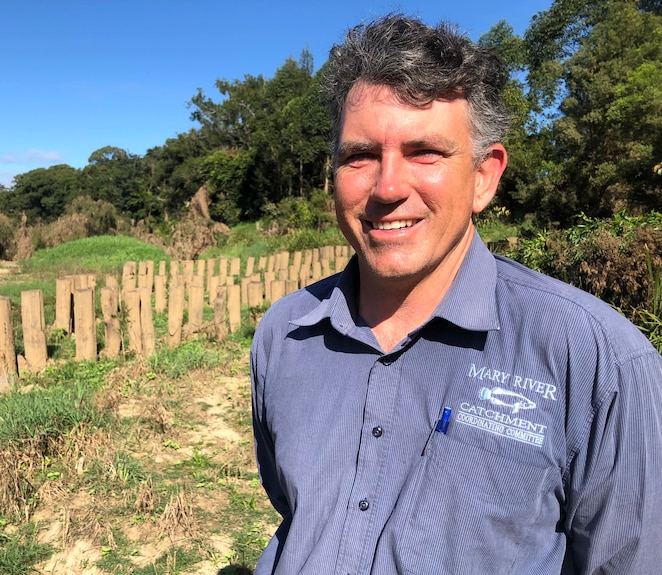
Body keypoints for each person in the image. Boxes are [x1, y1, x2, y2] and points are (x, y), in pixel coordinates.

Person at [249, 13, 662, 575]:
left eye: (425, 152)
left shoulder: (599, 360)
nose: (388, 187)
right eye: (360, 156)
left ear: (485, 177)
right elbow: (297, 510)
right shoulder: (286, 333)